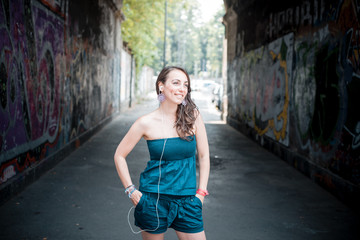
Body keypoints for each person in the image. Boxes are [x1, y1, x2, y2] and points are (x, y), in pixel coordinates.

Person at [114, 66, 210, 240]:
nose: (182, 88)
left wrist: (201, 193)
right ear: (161, 86)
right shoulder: (145, 122)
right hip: (153, 201)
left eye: (185, 84)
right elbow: (119, 155)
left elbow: (203, 156)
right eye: (176, 83)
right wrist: (130, 190)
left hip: (188, 201)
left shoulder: (193, 116)